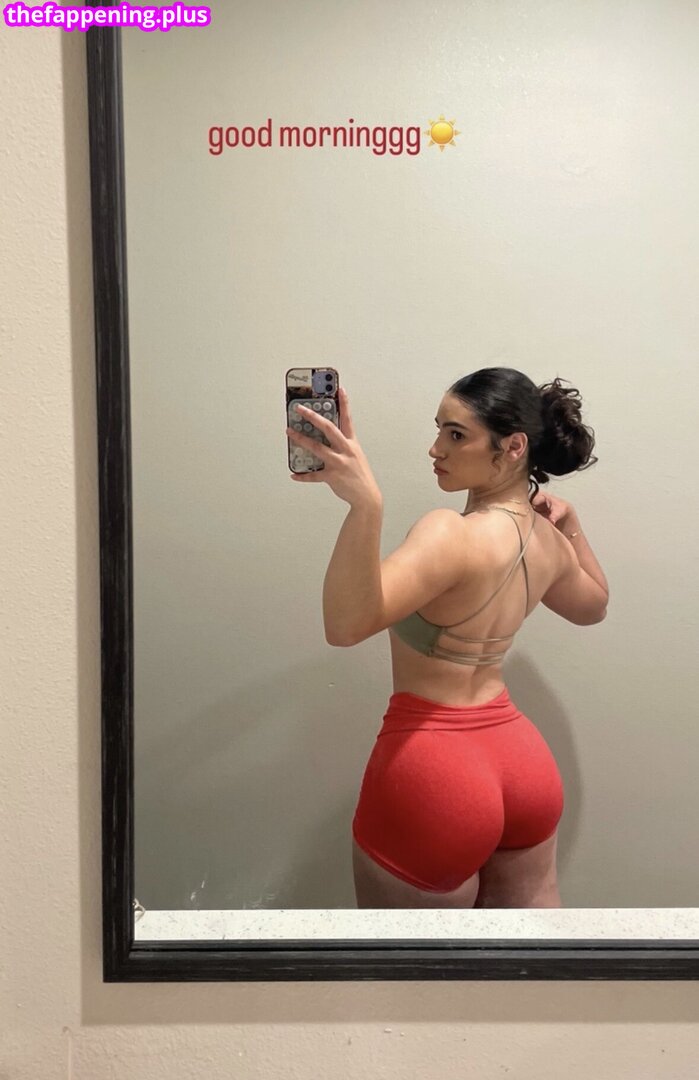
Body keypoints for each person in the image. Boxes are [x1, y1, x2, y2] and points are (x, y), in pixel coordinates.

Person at [286, 367, 609, 909]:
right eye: (439, 429)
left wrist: (365, 505)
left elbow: (345, 626)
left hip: (435, 771)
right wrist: (570, 524)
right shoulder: (549, 543)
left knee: (412, 967)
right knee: (532, 959)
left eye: (456, 434)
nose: (436, 448)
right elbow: (594, 605)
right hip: (522, 765)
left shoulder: (448, 534)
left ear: (513, 448)